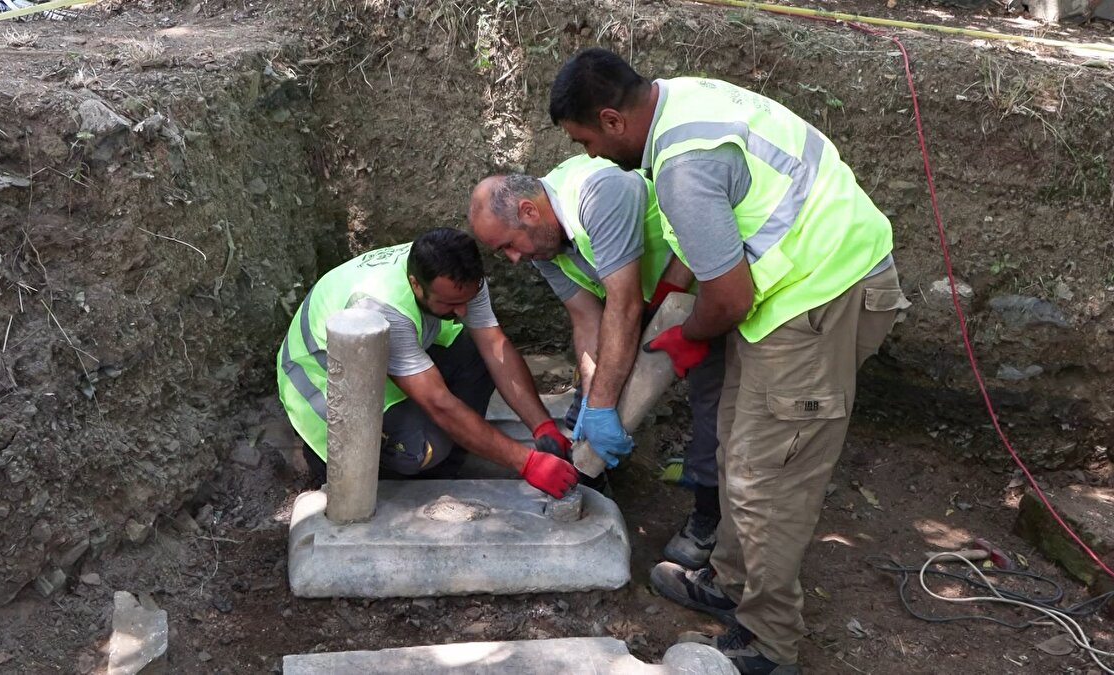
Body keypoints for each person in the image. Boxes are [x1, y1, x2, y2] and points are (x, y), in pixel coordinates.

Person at [549, 48, 907, 675]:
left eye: (585, 140)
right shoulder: (680, 101)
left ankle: (768, 642)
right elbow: (712, 239)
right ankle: (730, 580)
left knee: (769, 476)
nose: (589, 156)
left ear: (611, 120)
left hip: (822, 295)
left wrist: (687, 335)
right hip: (796, 288)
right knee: (739, 446)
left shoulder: (684, 166)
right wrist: (680, 312)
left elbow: (730, 296)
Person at [468, 154, 726, 569]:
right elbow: (587, 319)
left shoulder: (599, 193)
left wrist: (604, 404)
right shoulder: (545, 246)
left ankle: (709, 521)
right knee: (589, 409)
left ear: (529, 211)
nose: (514, 259)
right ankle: (593, 477)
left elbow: (621, 307)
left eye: (509, 245)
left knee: (714, 402)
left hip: (713, 285)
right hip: (647, 303)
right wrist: (591, 399)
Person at [277, 227, 578, 499]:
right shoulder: (382, 306)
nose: (462, 311)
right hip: (324, 382)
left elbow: (494, 346)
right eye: (449, 304)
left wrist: (543, 427)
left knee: (475, 350)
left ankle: (447, 469)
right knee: (423, 449)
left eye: (467, 300)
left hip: (381, 360)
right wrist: (526, 463)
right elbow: (439, 403)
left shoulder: (457, 275)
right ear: (415, 285)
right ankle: (381, 475)